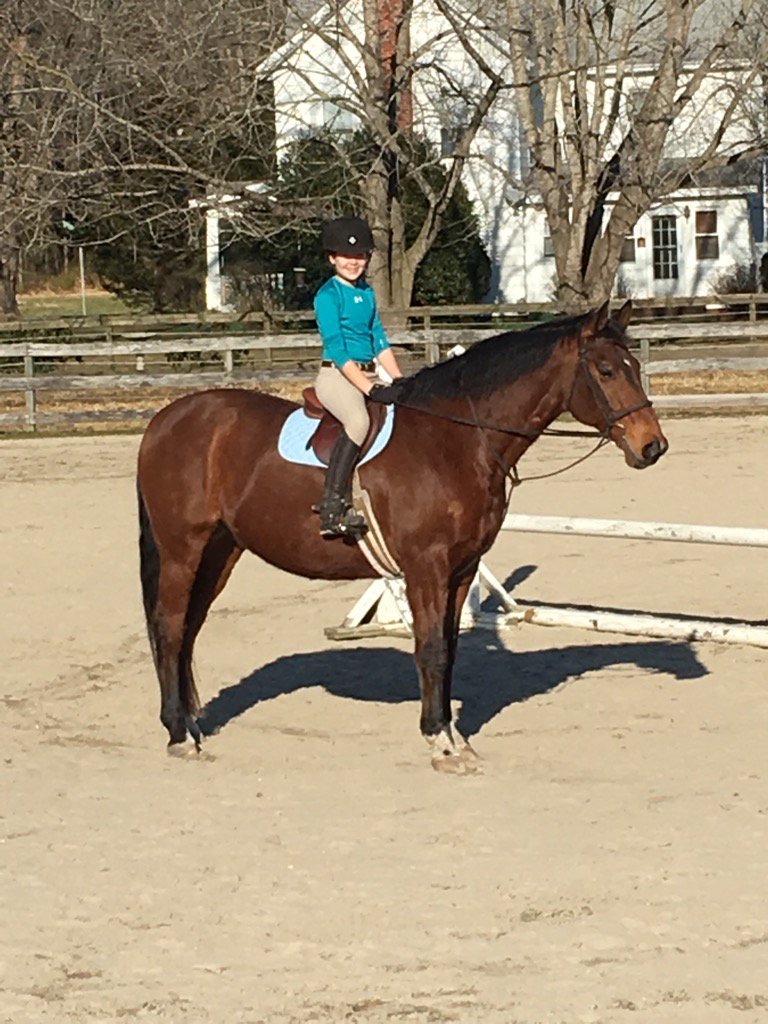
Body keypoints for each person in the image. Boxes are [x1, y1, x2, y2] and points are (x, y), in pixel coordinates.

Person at [313, 215, 404, 538]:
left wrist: (399, 380)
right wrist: (368, 387)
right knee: (359, 422)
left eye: (360, 256)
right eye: (346, 256)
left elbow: (378, 339)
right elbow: (337, 349)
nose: (353, 263)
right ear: (332, 258)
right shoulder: (327, 296)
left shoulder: (366, 293)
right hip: (337, 376)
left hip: (369, 372)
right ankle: (332, 504)